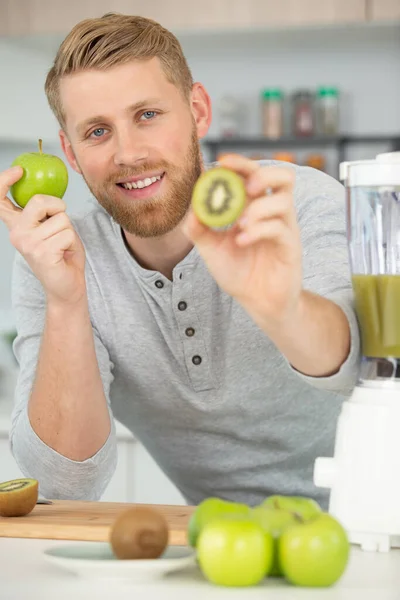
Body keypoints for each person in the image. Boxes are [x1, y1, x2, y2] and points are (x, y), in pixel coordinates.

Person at [0, 13, 360, 509]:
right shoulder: (57, 258)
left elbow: (354, 364)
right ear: (71, 152)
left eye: (147, 114)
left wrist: (280, 306)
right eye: (98, 131)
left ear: (198, 110)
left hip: (375, 523)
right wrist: (67, 301)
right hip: (221, 543)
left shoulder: (292, 202)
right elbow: (65, 485)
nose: (129, 154)